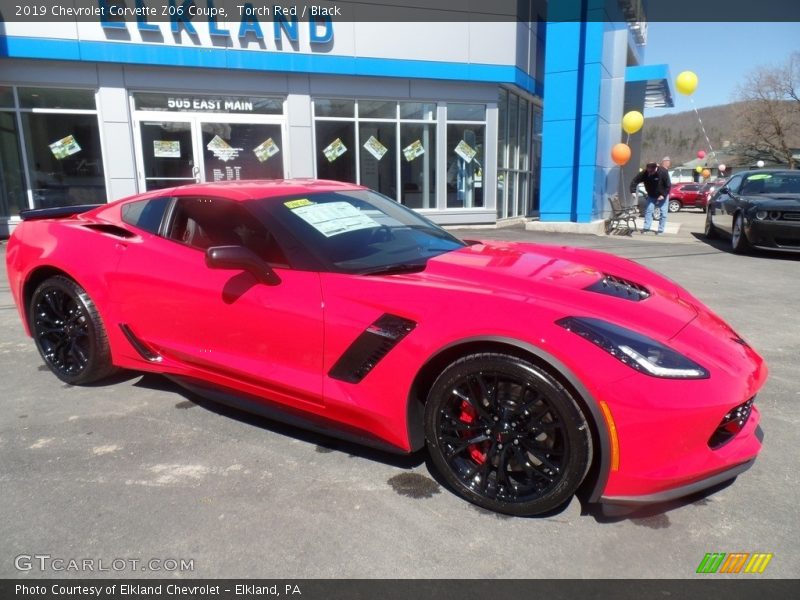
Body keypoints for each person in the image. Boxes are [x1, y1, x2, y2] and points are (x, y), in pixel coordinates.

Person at [630, 158, 671, 234]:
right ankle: (646, 228)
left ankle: (660, 230)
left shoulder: (663, 172)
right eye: (649, 171)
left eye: (652, 172)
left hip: (663, 195)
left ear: (656, 168)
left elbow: (668, 186)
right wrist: (632, 191)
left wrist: (663, 195)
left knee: (663, 213)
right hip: (651, 195)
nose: (650, 173)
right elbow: (635, 181)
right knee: (649, 211)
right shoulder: (644, 173)